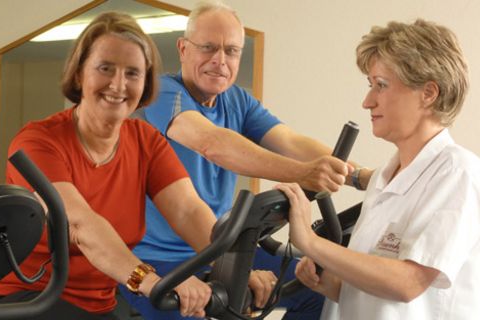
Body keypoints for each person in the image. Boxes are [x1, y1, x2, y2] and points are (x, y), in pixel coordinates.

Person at [120, 1, 372, 319]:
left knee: (318, 291)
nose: (219, 61)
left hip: (221, 249)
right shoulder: (161, 93)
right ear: (183, 49)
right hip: (158, 259)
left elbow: (290, 141)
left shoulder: (237, 100)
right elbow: (211, 143)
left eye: (231, 51)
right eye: (208, 48)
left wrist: (363, 177)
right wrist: (306, 173)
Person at [0, 12, 222, 319]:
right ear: (79, 74)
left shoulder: (145, 141)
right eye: (105, 68)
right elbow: (81, 225)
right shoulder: (38, 142)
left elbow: (188, 210)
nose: (118, 84)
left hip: (98, 305)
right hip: (26, 300)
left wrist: (232, 264)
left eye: (133, 73)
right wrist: (148, 280)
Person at [283, 19, 480, 320]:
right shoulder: (383, 179)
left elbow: (408, 283)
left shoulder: (458, 173)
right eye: (370, 85)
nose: (367, 101)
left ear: (428, 93)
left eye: (381, 85)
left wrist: (312, 243)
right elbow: (375, 295)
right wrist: (329, 282)